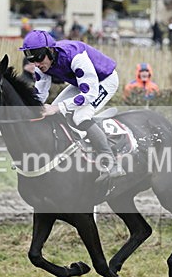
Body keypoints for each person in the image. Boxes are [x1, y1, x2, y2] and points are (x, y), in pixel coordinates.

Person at [19, 29, 125, 182]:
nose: (36, 63)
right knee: (53, 112)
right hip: (81, 83)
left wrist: (57, 107)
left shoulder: (76, 56)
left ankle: (111, 161)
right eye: (31, 59)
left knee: (80, 116)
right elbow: (40, 94)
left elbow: (89, 94)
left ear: (50, 50)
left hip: (104, 81)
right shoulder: (41, 64)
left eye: (39, 57)